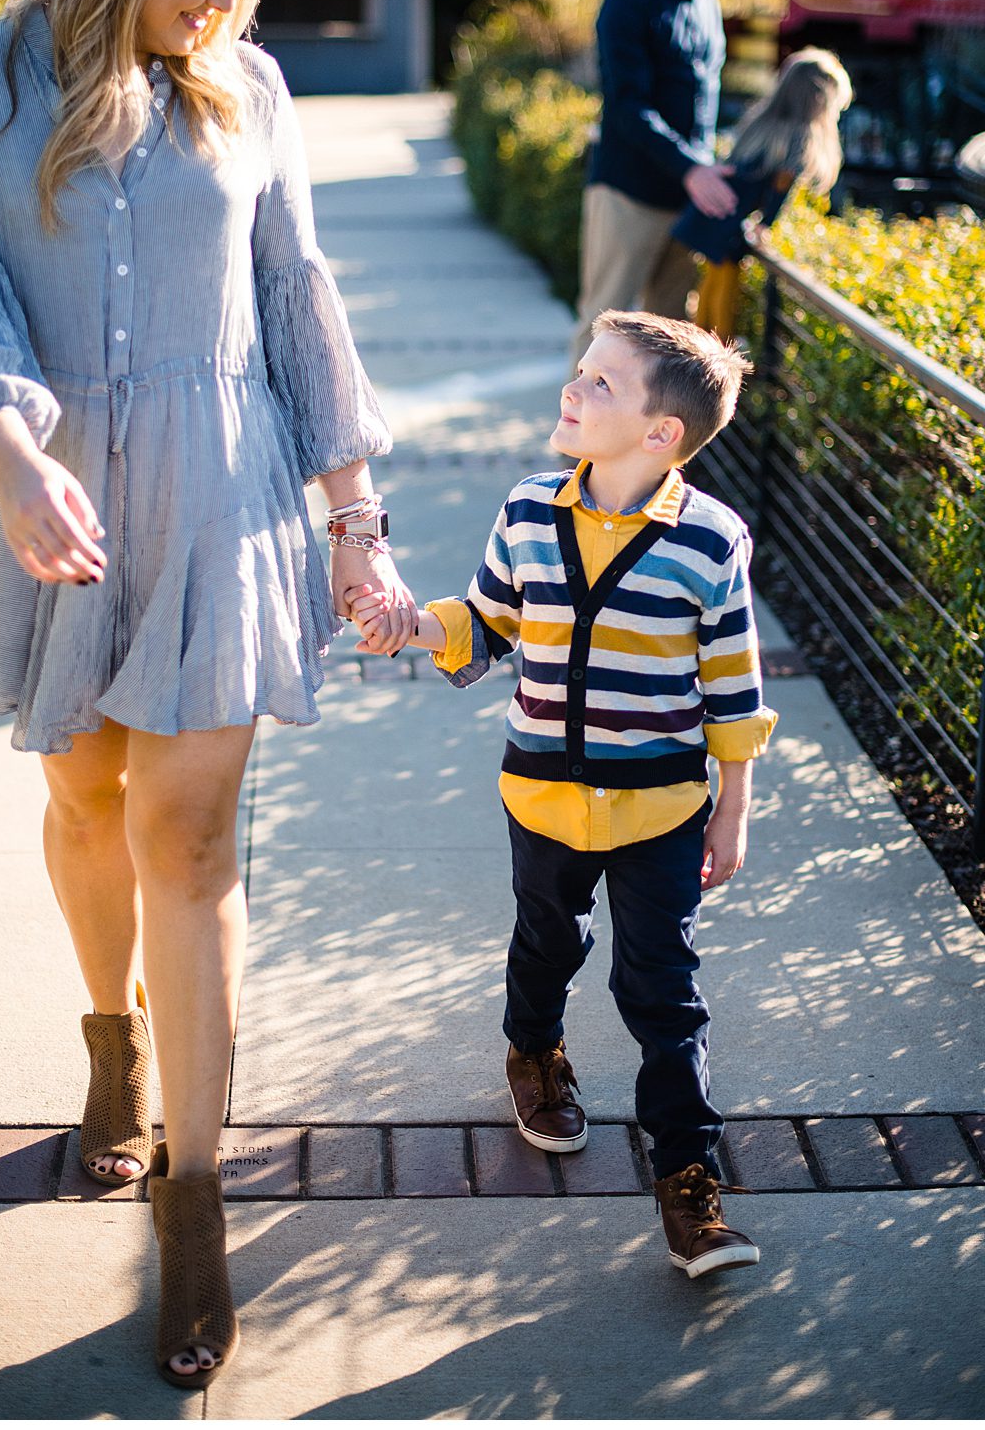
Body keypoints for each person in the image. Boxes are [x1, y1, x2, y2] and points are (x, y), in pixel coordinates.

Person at [0, 0, 414, 1388]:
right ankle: (107, 1046)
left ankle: (193, 1199)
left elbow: (298, 298)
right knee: (86, 800)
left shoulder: (248, 85)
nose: (225, 7)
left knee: (188, 836)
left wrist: (356, 520)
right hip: (49, 496)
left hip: (222, 499)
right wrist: (8, 452)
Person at [350, 310, 776, 1278]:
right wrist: (410, 623)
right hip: (540, 794)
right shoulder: (529, 508)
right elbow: (491, 622)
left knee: (661, 990)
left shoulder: (711, 543)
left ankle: (689, 1186)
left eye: (599, 386)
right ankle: (534, 1055)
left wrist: (733, 803)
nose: (571, 393)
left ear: (661, 434)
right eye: (579, 374)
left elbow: (733, 686)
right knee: (550, 941)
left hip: (662, 807)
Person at [571, 0, 748, 364]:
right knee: (601, 328)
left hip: (687, 200)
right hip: (627, 194)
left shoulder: (709, 8)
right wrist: (694, 169)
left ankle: (652, 440)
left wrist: (711, 173)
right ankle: (576, 442)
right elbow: (627, 107)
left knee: (670, 342)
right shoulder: (627, 3)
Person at [672, 49, 853, 339]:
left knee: (712, 283)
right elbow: (781, 186)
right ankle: (715, 355)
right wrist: (766, 224)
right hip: (729, 224)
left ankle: (700, 345)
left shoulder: (761, 122)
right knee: (725, 290)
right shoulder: (799, 136)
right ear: (820, 99)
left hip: (716, 215)